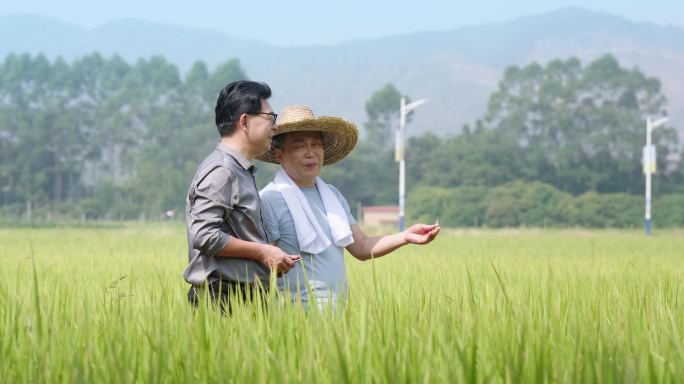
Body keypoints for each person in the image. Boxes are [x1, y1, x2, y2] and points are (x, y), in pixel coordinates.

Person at [258, 105, 440, 309]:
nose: (311, 153)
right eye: (300, 146)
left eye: (316, 144)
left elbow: (361, 246)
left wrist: (405, 236)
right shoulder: (269, 199)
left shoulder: (332, 196)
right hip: (294, 316)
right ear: (279, 155)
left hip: (338, 315)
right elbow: (263, 261)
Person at [183, 81, 300, 313]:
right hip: (223, 299)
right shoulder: (222, 170)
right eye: (270, 118)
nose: (275, 127)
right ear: (245, 121)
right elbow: (204, 235)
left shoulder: (239, 170)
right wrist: (262, 251)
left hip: (246, 296)